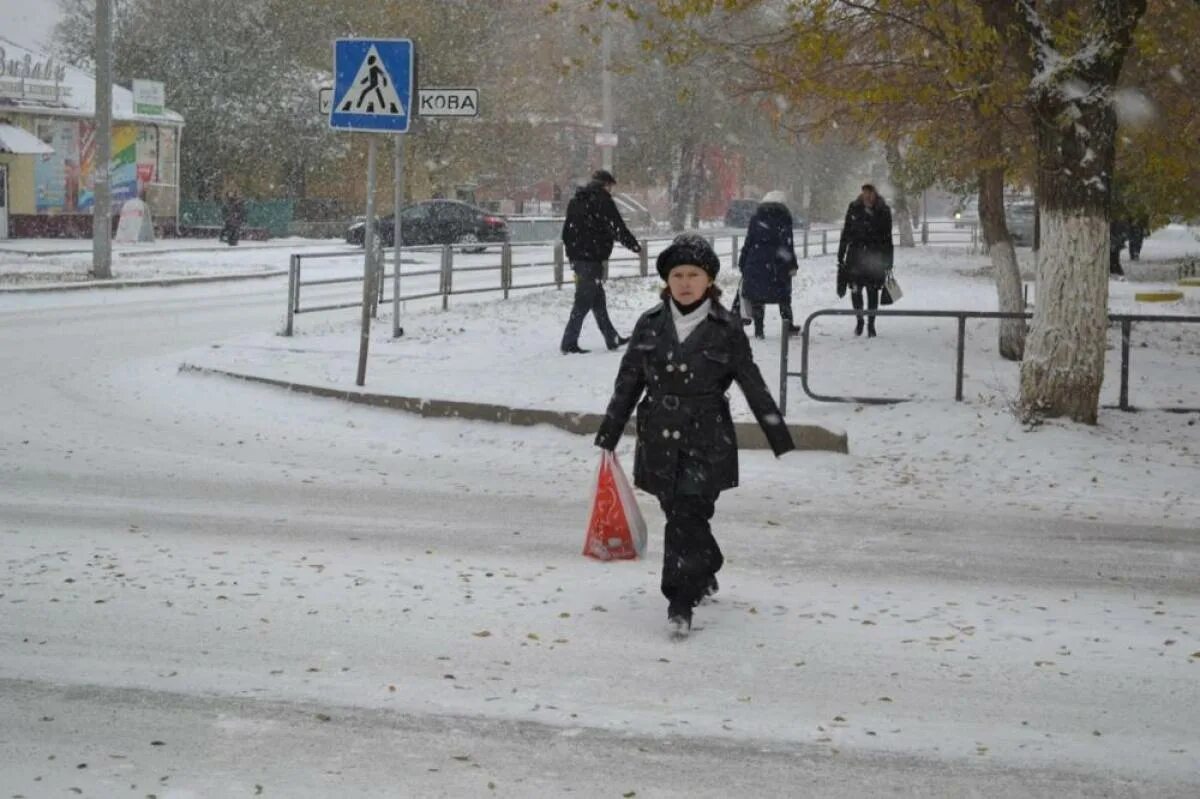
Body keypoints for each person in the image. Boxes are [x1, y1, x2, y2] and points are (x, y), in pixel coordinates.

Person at [595, 234, 795, 638]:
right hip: (659, 438)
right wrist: (610, 433)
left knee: (687, 514)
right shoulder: (649, 324)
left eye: (694, 275)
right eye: (678, 275)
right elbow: (628, 382)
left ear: (709, 281)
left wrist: (777, 434)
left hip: (707, 437)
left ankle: (679, 602)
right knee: (682, 515)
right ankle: (707, 566)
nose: (685, 282)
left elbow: (750, 381)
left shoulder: (726, 327)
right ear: (667, 281)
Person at [560, 169, 642, 354]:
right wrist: (634, 246)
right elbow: (617, 227)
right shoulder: (603, 201)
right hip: (592, 257)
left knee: (597, 300)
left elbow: (567, 231)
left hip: (579, 257)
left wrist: (572, 254)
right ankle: (568, 342)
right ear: (606, 184)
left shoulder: (576, 201)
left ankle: (611, 338)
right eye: (611, 186)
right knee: (582, 301)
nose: (611, 190)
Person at [736, 190, 800, 339]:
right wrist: (792, 264)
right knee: (783, 297)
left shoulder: (756, 218)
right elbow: (788, 243)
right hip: (778, 263)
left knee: (758, 297)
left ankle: (759, 330)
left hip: (756, 261)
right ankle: (787, 326)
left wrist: (743, 261)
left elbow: (749, 241)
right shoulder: (784, 218)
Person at [836, 184, 894, 337]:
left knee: (873, 290)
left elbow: (888, 238)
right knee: (855, 290)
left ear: (875, 194)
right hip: (855, 256)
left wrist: (889, 261)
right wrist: (841, 254)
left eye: (870, 193)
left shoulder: (883, 210)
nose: (867, 196)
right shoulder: (854, 208)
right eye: (865, 193)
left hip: (875, 257)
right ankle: (860, 319)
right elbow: (846, 232)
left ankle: (871, 323)